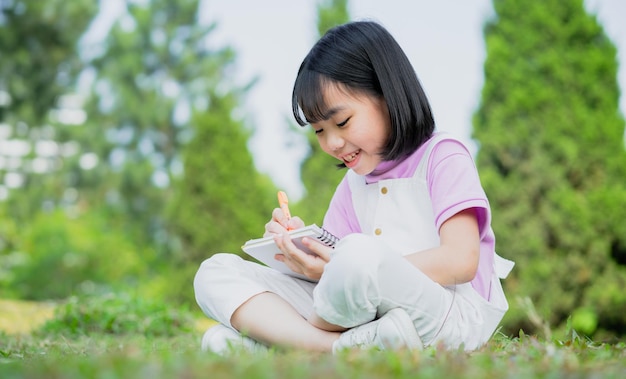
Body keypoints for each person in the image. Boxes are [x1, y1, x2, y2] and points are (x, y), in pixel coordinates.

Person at [193, 20, 514, 354]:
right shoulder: (352, 186)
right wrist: (304, 252)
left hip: (447, 315)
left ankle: (302, 346)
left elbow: (461, 261)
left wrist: (354, 266)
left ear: (388, 94)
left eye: (342, 122)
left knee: (357, 254)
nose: (332, 142)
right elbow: (337, 285)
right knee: (213, 273)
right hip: (371, 322)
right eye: (318, 131)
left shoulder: (442, 156)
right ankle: (337, 348)